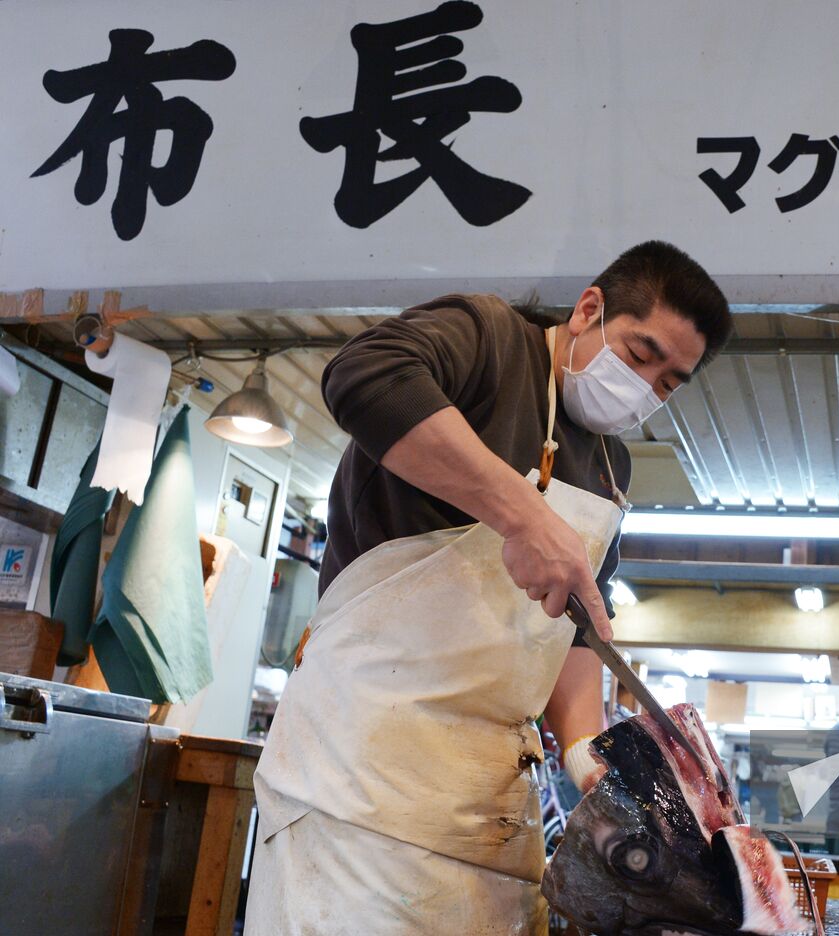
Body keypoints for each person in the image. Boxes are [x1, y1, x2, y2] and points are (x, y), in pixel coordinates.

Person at [246, 241, 732, 934]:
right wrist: (523, 514)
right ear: (589, 309)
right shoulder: (490, 340)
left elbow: (572, 630)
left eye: (667, 383)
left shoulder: (611, 467)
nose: (644, 386)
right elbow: (365, 374)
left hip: (489, 810)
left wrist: (585, 758)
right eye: (639, 353)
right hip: (356, 786)